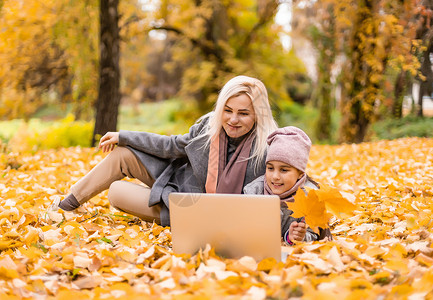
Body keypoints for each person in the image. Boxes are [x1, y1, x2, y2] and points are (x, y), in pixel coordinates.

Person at [54, 75, 278, 226]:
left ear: (258, 114)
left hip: (193, 212)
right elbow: (172, 145)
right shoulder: (209, 126)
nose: (233, 120)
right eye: (227, 110)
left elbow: (289, 186)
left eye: (243, 113)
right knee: (123, 153)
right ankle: (67, 205)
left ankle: (163, 214)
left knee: (116, 191)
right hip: (175, 182)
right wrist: (124, 136)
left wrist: (299, 231)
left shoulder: (267, 148)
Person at [243, 126, 332, 245]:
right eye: (270, 168)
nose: (275, 176)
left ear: (300, 173)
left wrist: (297, 237)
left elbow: (313, 235)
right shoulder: (254, 191)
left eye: (284, 170)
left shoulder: (310, 196)